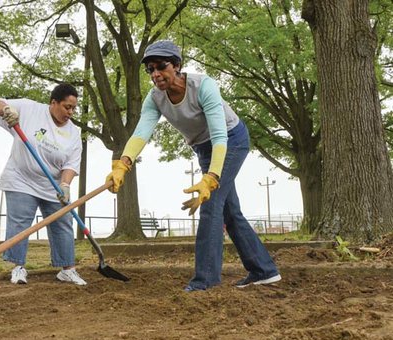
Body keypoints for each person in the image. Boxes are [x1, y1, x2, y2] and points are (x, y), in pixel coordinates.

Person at [106, 40, 281, 292]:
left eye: (161, 67)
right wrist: (123, 164)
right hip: (203, 148)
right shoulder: (155, 98)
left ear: (177, 65)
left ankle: (205, 282)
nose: (155, 74)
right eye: (150, 70)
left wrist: (211, 177)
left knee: (210, 205)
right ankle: (264, 270)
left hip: (230, 141)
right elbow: (141, 133)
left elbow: (220, 136)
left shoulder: (203, 87)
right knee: (229, 211)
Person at [0, 83, 87, 286]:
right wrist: (7, 110)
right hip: (20, 178)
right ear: (53, 103)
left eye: (73, 108)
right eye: (67, 107)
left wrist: (65, 185)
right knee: (20, 224)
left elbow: (71, 163)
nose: (70, 112)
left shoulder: (73, 133)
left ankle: (67, 269)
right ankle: (18, 268)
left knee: (63, 224)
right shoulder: (29, 109)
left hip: (52, 185)